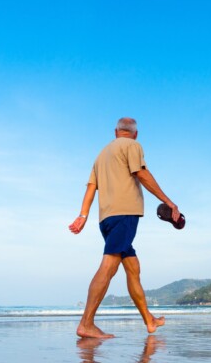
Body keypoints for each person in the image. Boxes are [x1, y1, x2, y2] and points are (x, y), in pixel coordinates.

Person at [69, 117, 181, 338]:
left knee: (133, 268)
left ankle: (149, 320)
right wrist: (169, 202)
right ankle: (86, 324)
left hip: (106, 219)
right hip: (124, 215)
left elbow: (91, 188)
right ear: (135, 134)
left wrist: (83, 215)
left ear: (116, 132)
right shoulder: (133, 146)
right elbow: (142, 174)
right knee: (109, 266)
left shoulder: (101, 155)